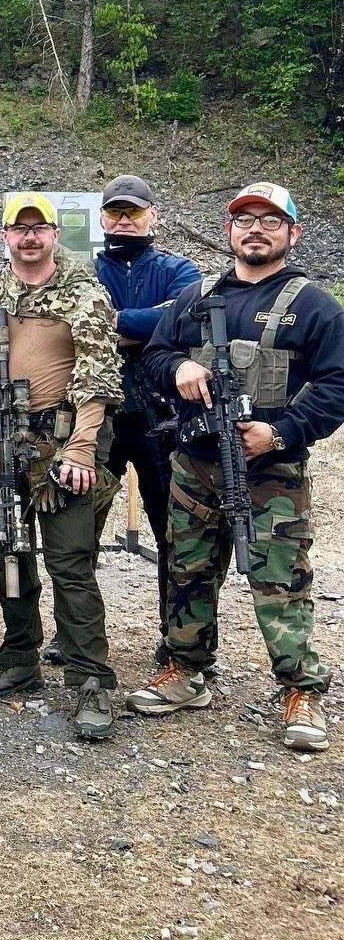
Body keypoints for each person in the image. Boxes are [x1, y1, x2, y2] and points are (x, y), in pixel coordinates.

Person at [129, 182, 344, 754]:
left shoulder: (315, 306)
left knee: (280, 578)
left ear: (293, 233)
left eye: (270, 221)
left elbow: (337, 385)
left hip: (272, 473)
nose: (256, 230)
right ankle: (185, 668)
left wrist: (281, 432)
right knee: (188, 568)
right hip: (194, 465)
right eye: (245, 220)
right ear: (229, 231)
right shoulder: (196, 296)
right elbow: (154, 354)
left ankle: (301, 690)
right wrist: (178, 368)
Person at [0, 193, 123, 742]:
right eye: (19, 229)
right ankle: (20, 656)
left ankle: (90, 680)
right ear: (5, 236)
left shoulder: (83, 293)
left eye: (39, 227)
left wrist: (82, 449)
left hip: (57, 451)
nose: (29, 237)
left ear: (53, 234)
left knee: (71, 566)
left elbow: (97, 379)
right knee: (11, 558)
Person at [89, 174, 201, 663]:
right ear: (102, 218)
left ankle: (179, 638)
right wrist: (154, 322)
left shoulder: (180, 269)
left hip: (163, 419)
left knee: (173, 532)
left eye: (133, 211)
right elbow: (73, 324)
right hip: (98, 417)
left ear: (153, 215)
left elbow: (185, 317)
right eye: (116, 212)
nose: (124, 220)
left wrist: (115, 321)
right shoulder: (82, 271)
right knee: (79, 532)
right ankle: (77, 636)